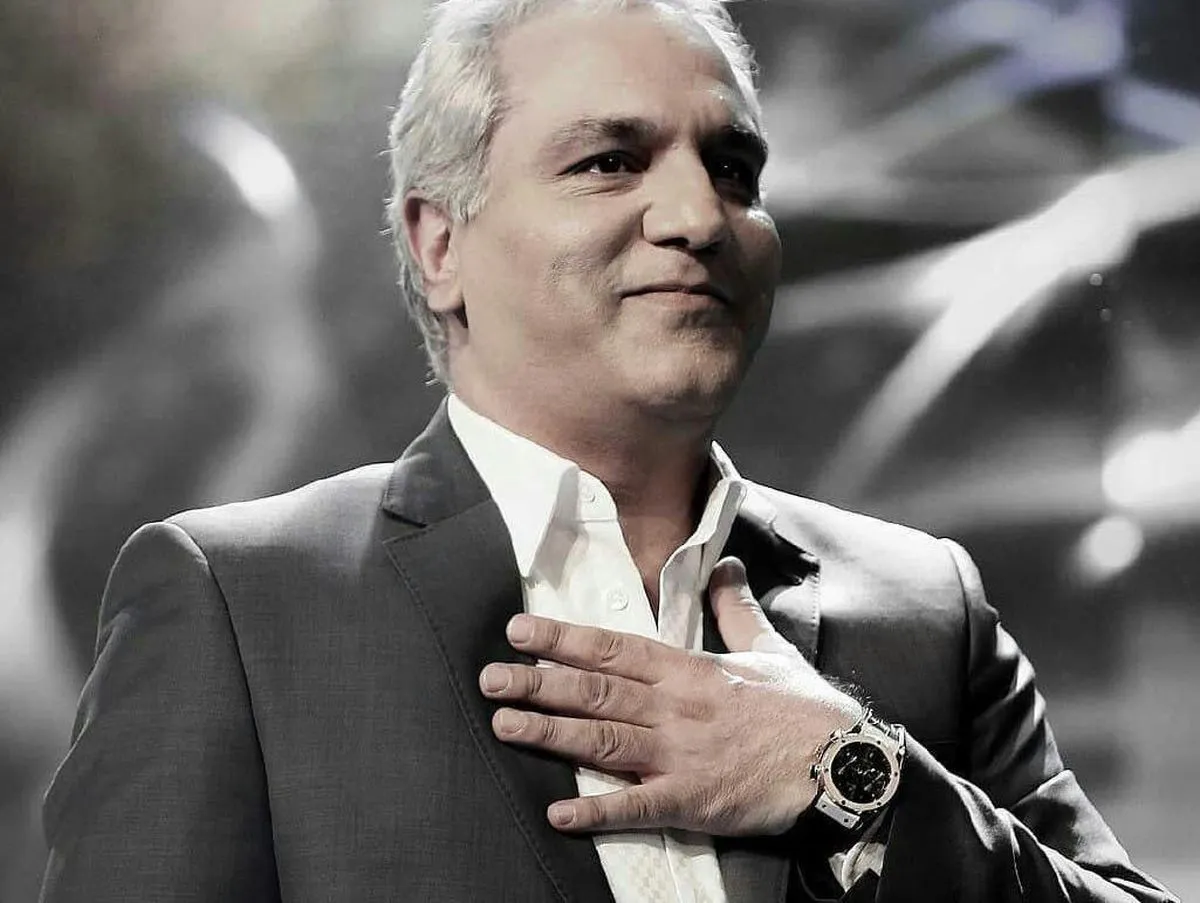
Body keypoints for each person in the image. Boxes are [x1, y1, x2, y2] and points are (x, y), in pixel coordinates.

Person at [40, 1, 1177, 901]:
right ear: (439, 243)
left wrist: (851, 777)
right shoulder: (240, 604)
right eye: (609, 162)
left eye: (734, 170)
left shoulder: (928, 605)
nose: (700, 217)